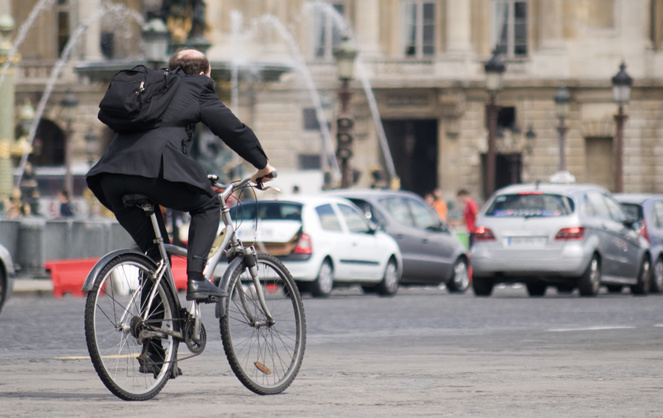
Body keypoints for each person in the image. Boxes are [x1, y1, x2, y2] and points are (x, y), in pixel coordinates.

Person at [87, 48, 275, 377]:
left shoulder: (151, 87)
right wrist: (263, 165)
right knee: (206, 204)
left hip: (110, 177)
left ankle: (155, 351)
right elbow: (231, 129)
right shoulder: (195, 87)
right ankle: (197, 278)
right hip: (154, 170)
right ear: (204, 73)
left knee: (154, 258)